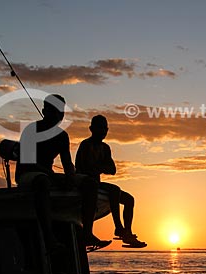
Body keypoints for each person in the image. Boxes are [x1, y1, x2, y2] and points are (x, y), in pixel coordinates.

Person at [15, 94, 111, 252]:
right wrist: (53, 177)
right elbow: (28, 162)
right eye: (54, 111)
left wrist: (70, 177)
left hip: (48, 174)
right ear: (44, 111)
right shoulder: (31, 130)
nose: (58, 116)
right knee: (43, 182)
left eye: (61, 112)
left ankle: (87, 233)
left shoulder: (62, 136)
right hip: (28, 174)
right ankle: (49, 237)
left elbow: (67, 163)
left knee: (89, 183)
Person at [75, 115, 147, 248]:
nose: (103, 131)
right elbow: (81, 168)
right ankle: (117, 228)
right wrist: (98, 168)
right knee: (114, 190)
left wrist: (98, 168)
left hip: (97, 184)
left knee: (129, 200)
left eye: (105, 129)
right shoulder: (86, 145)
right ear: (91, 129)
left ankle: (127, 232)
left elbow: (112, 169)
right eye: (100, 128)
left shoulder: (105, 148)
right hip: (86, 184)